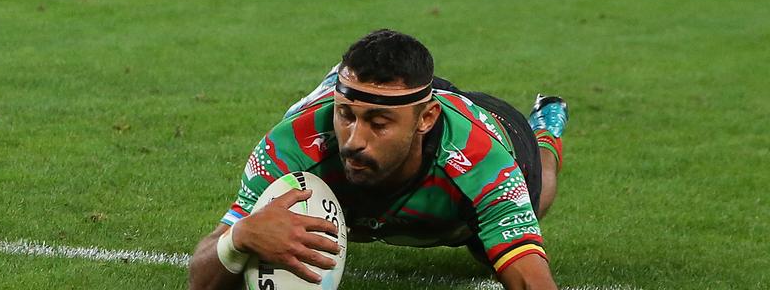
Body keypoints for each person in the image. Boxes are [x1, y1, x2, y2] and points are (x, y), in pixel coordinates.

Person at [187, 29, 569, 290]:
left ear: (426, 119)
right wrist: (239, 238)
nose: (354, 141)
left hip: (491, 129)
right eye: (346, 114)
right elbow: (201, 278)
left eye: (377, 123)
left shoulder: (482, 158)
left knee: (537, 199)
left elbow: (530, 279)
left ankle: (546, 132)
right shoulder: (291, 147)